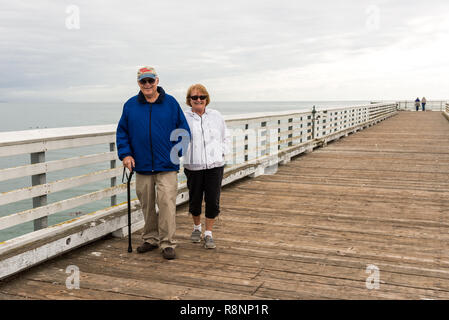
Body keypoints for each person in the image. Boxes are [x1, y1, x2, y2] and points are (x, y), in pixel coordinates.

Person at [116, 66, 191, 260]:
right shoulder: (130, 105)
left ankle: (167, 242)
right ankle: (150, 239)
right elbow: (122, 133)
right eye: (143, 81)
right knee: (147, 204)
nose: (147, 84)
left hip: (166, 165)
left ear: (157, 81)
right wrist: (126, 155)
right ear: (139, 83)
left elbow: (183, 132)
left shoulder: (171, 103)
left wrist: (176, 154)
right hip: (141, 165)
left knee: (166, 203)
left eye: (150, 80)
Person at [182, 84, 230, 249]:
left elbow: (225, 136)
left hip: (215, 165)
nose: (198, 100)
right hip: (193, 166)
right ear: (189, 100)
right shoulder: (183, 117)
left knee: (212, 200)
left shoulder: (216, 115)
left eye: (201, 97)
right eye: (194, 97)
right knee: (195, 200)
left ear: (206, 99)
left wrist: (221, 152)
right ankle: (197, 228)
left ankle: (208, 233)